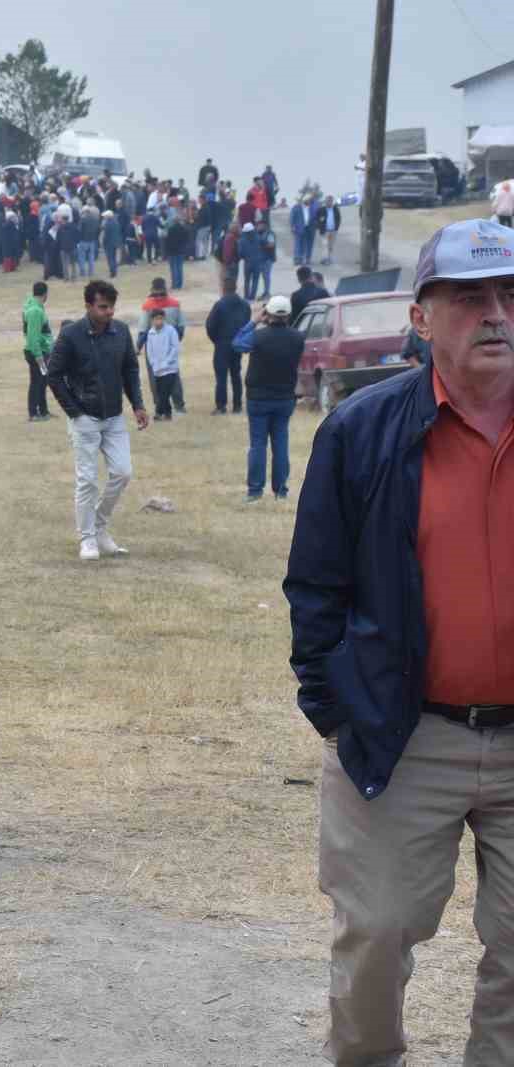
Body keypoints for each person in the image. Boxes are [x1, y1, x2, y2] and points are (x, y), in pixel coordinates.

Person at [285, 219, 514, 1066]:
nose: (496, 314)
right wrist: (339, 706)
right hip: (401, 734)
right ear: (423, 318)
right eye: (470, 297)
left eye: (511, 296)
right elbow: (315, 586)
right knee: (376, 935)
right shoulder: (362, 432)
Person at [46, 280, 151, 561]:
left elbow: (130, 368)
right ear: (89, 306)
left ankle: (100, 526)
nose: (109, 312)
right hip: (85, 419)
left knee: (123, 472)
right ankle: (88, 539)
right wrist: (74, 412)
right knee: (87, 481)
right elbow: (53, 375)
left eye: (112, 307)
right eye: (103, 307)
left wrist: (138, 405)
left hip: (114, 417)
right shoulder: (71, 335)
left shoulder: (120, 333)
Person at [234, 294, 303, 501]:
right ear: (288, 315)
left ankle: (255, 490)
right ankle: (280, 490)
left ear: (268, 314)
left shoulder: (258, 337)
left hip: (258, 398)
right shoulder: (298, 338)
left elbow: (237, 344)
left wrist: (254, 321)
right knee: (281, 443)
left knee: (258, 444)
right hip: (285, 398)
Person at [206, 276, 252, 415]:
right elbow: (247, 323)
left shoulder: (219, 305)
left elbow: (210, 325)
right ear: (235, 287)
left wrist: (217, 340)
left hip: (222, 343)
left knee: (221, 376)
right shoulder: (244, 305)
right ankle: (237, 405)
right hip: (237, 344)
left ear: (224, 288)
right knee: (236, 375)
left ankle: (221, 405)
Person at [142, 310, 181, 420]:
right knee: (160, 392)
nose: (158, 321)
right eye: (156, 319)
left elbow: (175, 348)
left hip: (170, 368)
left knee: (164, 392)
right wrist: (154, 364)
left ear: (164, 319)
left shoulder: (171, 331)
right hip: (157, 369)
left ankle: (158, 413)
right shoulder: (151, 333)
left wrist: (167, 362)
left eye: (160, 318)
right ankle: (168, 414)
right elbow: (149, 351)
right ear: (152, 320)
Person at [23, 281, 53, 421]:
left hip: (40, 351)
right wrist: (39, 356)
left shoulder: (34, 305)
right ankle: (33, 413)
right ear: (45, 294)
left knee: (42, 380)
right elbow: (33, 336)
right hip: (38, 353)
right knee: (37, 381)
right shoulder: (35, 311)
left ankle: (44, 411)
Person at [317, 196, 342, 265]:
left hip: (333, 231)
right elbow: (317, 219)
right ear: (325, 202)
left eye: (330, 201)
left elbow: (339, 219)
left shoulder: (335, 209)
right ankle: (325, 259)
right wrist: (319, 226)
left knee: (331, 246)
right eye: (328, 201)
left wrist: (336, 228)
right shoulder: (321, 210)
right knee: (325, 245)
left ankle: (330, 258)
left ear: (332, 201)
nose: (329, 202)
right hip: (324, 231)